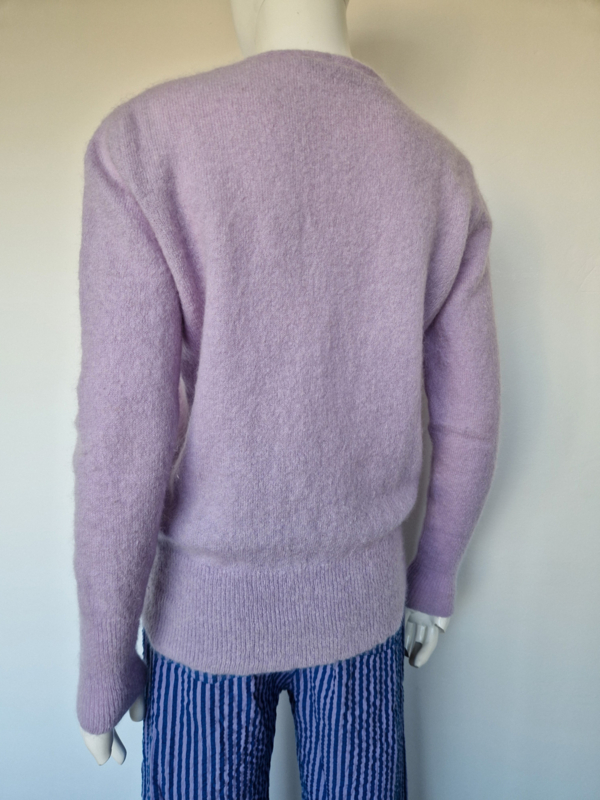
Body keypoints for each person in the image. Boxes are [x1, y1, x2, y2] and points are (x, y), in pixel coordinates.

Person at [73, 0, 500, 795]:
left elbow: (122, 435)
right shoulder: (439, 173)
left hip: (203, 624)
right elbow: (469, 422)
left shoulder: (145, 147)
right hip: (364, 611)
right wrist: (433, 578)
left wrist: (105, 660)